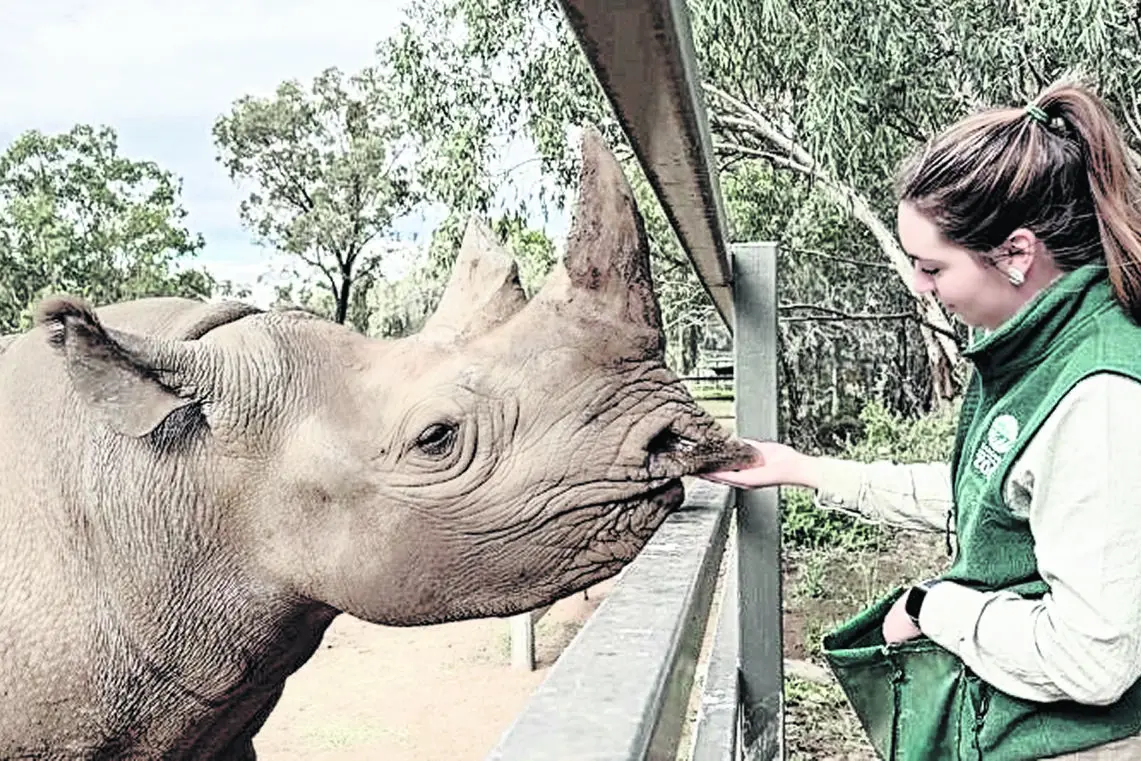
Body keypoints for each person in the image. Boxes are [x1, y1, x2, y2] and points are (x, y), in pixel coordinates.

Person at [704, 77, 1141, 760]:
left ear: (1017, 254)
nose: (918, 285)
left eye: (930, 266)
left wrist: (929, 608)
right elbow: (991, 497)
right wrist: (806, 470)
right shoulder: (1039, 351)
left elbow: (1092, 658)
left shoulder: (1099, 393)